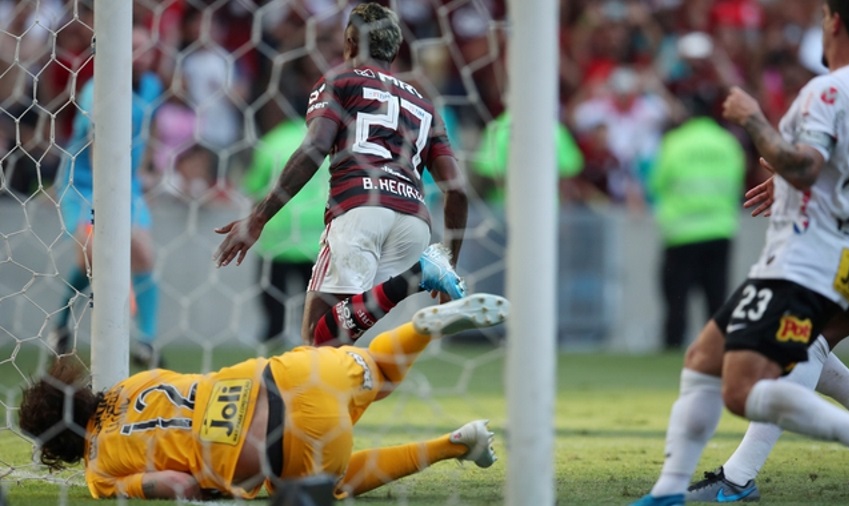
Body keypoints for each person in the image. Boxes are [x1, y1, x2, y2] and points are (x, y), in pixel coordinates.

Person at [630, 1, 849, 505]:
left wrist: (765, 132)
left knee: (789, 352)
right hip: (848, 233)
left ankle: (740, 477)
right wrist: (802, 178)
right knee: (743, 353)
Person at [19, 294, 509, 500]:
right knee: (380, 373)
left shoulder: (99, 472)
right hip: (293, 372)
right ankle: (419, 328)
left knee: (327, 486)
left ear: (56, 444)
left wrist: (206, 488)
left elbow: (176, 483)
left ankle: (455, 444)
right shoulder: (130, 385)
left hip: (285, 446)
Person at [214, 2, 469, 347]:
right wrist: (450, 261)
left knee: (316, 338)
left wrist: (259, 218)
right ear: (394, 51)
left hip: (360, 212)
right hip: (414, 226)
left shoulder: (340, 81)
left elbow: (315, 147)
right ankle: (420, 273)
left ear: (349, 43)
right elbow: (457, 189)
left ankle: (421, 272)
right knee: (338, 339)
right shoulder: (425, 105)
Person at [49, 25, 164, 368]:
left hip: (126, 184)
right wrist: (105, 199)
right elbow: (96, 142)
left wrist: (146, 170)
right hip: (87, 184)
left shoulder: (152, 86)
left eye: (146, 49)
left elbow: (147, 130)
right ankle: (61, 325)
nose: (141, 55)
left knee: (143, 253)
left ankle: (146, 342)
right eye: (133, 48)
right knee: (92, 256)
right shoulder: (97, 90)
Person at [648, 97, 745, 350]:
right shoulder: (727, 142)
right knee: (716, 301)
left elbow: (656, 183)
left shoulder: (674, 142)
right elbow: (737, 181)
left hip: (681, 232)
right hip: (720, 229)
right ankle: (717, 353)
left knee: (676, 301)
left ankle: (673, 350)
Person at [244, 113, 329, 346]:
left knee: (274, 304)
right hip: (317, 237)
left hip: (278, 236)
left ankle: (272, 342)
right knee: (313, 311)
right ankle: (313, 345)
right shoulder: (327, 138)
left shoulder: (272, 141)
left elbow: (254, 187)